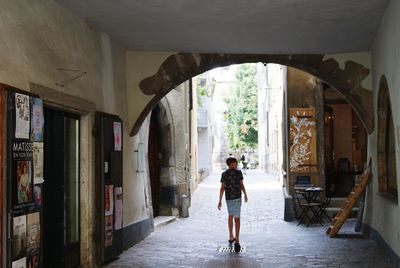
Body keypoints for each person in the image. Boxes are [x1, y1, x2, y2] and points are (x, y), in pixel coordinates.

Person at [218, 157, 248, 253]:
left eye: (236, 163)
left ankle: (237, 239)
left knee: (237, 218)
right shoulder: (224, 174)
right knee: (230, 216)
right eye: (234, 163)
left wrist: (245, 194)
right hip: (229, 199)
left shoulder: (239, 173)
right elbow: (222, 188)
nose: (235, 165)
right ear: (229, 164)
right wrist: (220, 201)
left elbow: (241, 185)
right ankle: (231, 235)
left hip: (237, 198)